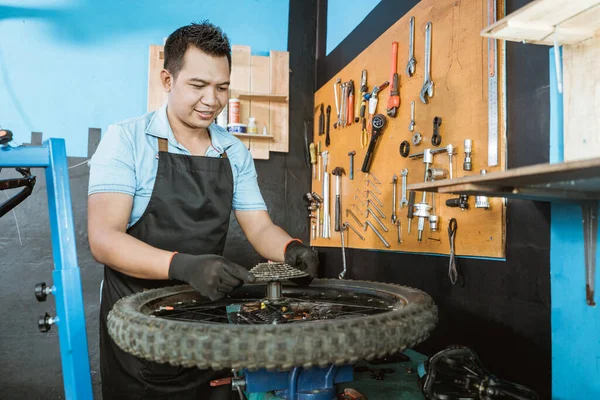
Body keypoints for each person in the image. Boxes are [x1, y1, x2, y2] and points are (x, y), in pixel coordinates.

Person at [87, 21, 319, 400]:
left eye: (222, 87)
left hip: (205, 325)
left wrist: (293, 249)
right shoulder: (126, 140)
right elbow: (104, 239)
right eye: (198, 85)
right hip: (138, 327)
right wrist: (185, 266)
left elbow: (259, 227)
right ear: (167, 79)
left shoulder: (233, 152)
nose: (212, 99)